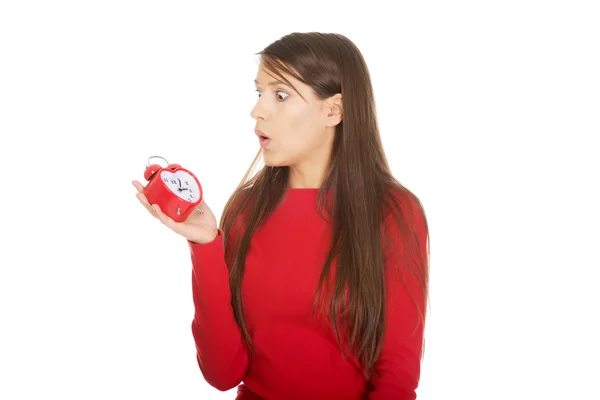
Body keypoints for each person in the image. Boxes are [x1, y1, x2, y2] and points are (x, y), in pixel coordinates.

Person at [132, 32, 430, 400]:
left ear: (333, 110)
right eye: (259, 92)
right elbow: (223, 373)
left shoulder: (394, 213)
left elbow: (397, 379)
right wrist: (205, 244)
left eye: (281, 94)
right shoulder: (246, 210)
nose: (257, 110)